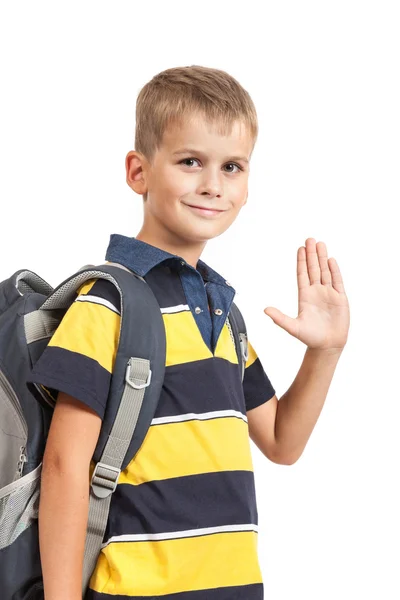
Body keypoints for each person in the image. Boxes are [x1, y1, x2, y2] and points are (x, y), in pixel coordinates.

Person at [28, 65, 350, 600]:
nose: (212, 185)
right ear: (139, 172)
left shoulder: (222, 312)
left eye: (232, 167)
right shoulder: (109, 303)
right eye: (190, 161)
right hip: (138, 590)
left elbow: (281, 442)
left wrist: (327, 351)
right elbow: (65, 467)